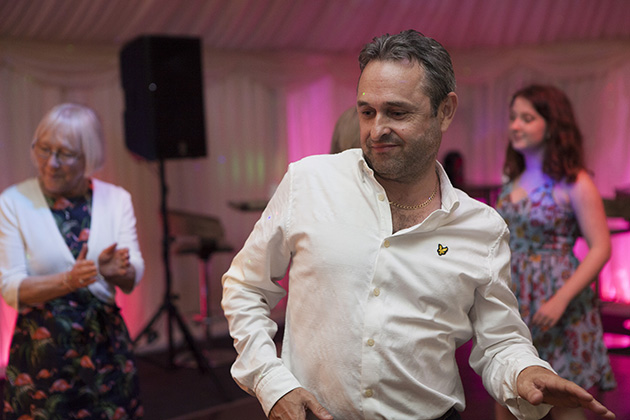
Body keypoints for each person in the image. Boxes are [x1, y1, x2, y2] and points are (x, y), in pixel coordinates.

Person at [221, 30, 616, 420]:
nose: (377, 130)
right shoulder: (307, 182)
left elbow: (500, 343)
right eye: (367, 111)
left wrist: (525, 371)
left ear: (444, 111)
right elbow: (245, 285)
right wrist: (272, 383)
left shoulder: (481, 228)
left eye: (397, 112)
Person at [0, 103, 145, 419]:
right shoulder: (13, 203)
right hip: (43, 354)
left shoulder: (116, 199)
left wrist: (117, 271)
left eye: (64, 154)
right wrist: (71, 279)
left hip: (105, 350)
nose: (50, 163)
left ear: (88, 157)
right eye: (43, 149)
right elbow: (11, 288)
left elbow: (132, 276)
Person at [494, 85, 616, 420]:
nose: (515, 125)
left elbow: (601, 247)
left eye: (527, 118)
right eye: (513, 117)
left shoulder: (574, 181)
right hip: (517, 300)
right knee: (510, 395)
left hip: (561, 305)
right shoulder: (511, 177)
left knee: (565, 402)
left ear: (552, 125)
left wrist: (561, 299)